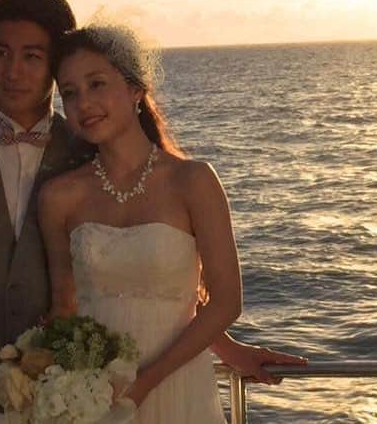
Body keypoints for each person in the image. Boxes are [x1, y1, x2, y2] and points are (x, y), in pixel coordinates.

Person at [0, 0, 304, 424]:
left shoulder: (112, 155)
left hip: (133, 394)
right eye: (0, 53)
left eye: (33, 57)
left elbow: (164, 283)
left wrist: (225, 348)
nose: (14, 71)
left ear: (136, 89)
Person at [40, 24, 240, 421]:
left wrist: (146, 381)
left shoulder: (193, 181)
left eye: (96, 84)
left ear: (135, 89)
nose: (83, 103)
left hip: (180, 388)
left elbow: (227, 302)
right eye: (70, 93)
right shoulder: (58, 197)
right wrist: (48, 388)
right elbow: (64, 308)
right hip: (98, 397)